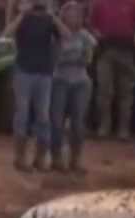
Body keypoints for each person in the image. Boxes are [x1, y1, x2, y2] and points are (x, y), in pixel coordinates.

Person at [5, 0, 68, 172]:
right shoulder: (24, 17)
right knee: (22, 115)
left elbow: (67, 35)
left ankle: (39, 158)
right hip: (24, 70)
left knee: (43, 117)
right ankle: (20, 157)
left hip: (44, 72)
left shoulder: (49, 18)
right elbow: (7, 34)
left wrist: (53, 16)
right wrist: (21, 14)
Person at [50, 1, 97, 173]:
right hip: (59, 80)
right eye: (70, 13)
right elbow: (54, 58)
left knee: (78, 123)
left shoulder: (84, 35)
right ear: (63, 16)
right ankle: (57, 158)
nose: (74, 17)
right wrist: (75, 57)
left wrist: (70, 58)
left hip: (80, 82)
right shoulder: (56, 35)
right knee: (57, 122)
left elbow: (88, 58)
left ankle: (75, 159)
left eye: (77, 14)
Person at [89, 0, 135, 141]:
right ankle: (104, 126)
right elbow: (92, 25)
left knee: (126, 93)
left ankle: (123, 129)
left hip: (127, 51)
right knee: (104, 90)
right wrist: (97, 34)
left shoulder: (133, 5)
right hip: (105, 50)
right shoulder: (99, 4)